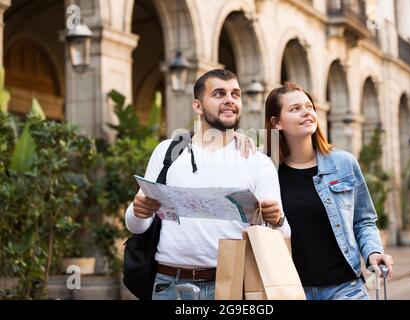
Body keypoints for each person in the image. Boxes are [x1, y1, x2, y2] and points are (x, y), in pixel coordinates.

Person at [125, 69, 290, 300]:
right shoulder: (167, 152)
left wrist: (277, 219)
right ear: (198, 106)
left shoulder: (258, 161)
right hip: (170, 286)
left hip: (234, 286)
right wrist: (138, 211)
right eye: (219, 93)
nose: (230, 100)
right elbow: (136, 226)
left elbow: (282, 235)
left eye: (235, 94)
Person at [263, 82, 393, 300]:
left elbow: (363, 220)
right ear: (276, 123)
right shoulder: (265, 171)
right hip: (289, 291)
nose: (307, 112)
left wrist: (373, 252)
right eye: (295, 109)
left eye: (309, 106)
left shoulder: (343, 163)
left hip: (345, 289)